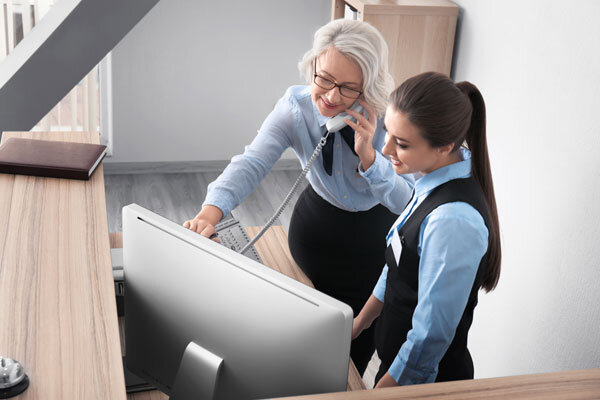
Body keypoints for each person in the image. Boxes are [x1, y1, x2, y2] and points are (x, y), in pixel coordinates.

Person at [183, 19, 414, 375]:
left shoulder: (391, 121)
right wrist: (209, 213)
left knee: (347, 362)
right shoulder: (296, 106)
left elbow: (408, 204)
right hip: (314, 237)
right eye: (324, 79)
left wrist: (370, 157)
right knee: (298, 352)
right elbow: (252, 162)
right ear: (313, 66)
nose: (332, 97)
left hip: (371, 251)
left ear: (368, 89)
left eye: (348, 88)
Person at [351, 72, 502, 387]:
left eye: (402, 143)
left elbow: (429, 337)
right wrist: (359, 323)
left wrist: (382, 391)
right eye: (388, 133)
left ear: (445, 146)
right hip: (396, 369)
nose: (386, 148)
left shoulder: (453, 222)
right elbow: (399, 259)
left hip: (422, 382)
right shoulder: (431, 176)